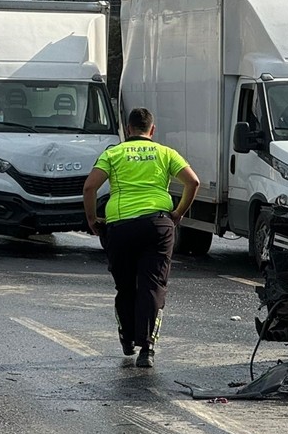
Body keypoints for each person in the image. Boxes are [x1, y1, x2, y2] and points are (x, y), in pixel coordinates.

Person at [82, 107, 200, 369]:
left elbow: (90, 187)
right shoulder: (165, 153)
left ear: (127, 129)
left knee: (125, 286)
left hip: (120, 228)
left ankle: (127, 338)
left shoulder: (113, 153)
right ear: (152, 130)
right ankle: (147, 349)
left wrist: (92, 220)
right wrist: (178, 213)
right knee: (152, 286)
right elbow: (193, 182)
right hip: (157, 226)